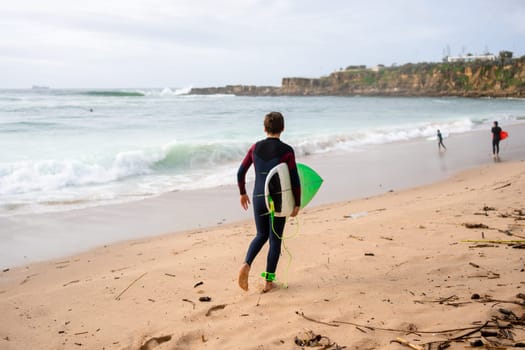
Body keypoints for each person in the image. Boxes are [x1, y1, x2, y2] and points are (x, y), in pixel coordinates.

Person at [237, 112, 301, 293]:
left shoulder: (255, 148)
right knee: (275, 240)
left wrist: (243, 193)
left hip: (258, 197)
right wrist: (297, 203)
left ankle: (246, 264)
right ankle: (268, 282)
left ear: (264, 128)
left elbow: (240, 173)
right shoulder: (287, 150)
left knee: (261, 235)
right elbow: (294, 179)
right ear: (283, 128)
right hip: (277, 199)